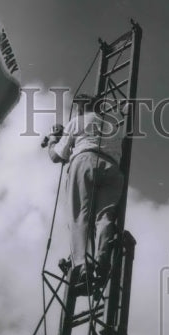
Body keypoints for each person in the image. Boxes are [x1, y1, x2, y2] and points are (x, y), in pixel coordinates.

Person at [45, 94, 124, 292]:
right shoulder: (114, 127)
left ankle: (82, 266)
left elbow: (56, 156)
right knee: (104, 217)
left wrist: (52, 141)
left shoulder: (77, 121)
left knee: (79, 214)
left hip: (86, 160)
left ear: (80, 108)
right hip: (113, 169)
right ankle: (102, 260)